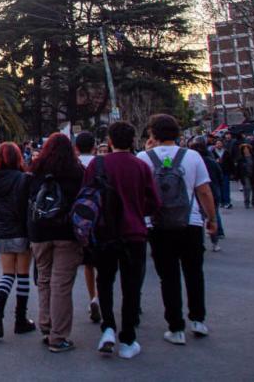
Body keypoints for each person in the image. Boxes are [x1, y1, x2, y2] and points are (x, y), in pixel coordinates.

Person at [139, 114, 217, 345]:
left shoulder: (144, 157)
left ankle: (176, 327)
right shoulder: (192, 156)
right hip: (190, 222)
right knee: (194, 272)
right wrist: (211, 218)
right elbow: (204, 191)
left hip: (158, 224)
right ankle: (198, 319)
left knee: (168, 276)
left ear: (152, 133)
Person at [88, 121, 160, 360]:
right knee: (131, 286)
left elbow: (86, 199)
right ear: (132, 141)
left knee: (105, 281)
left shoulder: (97, 165)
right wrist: (137, 210)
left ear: (109, 140)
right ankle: (128, 338)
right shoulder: (140, 166)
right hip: (134, 233)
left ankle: (108, 328)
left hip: (104, 233)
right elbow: (153, 203)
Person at [28, 133, 85, 353]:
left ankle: (46, 324)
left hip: (40, 231)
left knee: (44, 278)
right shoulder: (76, 171)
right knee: (61, 283)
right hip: (66, 231)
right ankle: (58, 335)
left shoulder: (36, 170)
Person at [0, 141, 34, 339]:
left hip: (2, 232)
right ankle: (20, 319)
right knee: (23, 275)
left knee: (7, 274)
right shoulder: (25, 179)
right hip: (21, 231)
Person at [74, 131, 101, 324]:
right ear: (94, 146)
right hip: (101, 218)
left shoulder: (73, 165)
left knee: (88, 264)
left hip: (81, 220)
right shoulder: (100, 164)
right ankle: (99, 297)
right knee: (103, 263)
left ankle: (93, 296)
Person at [238, 143, 254, 208]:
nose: (246, 150)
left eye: (247, 149)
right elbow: (238, 168)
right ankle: (247, 202)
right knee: (247, 188)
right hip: (245, 175)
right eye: (244, 149)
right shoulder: (241, 158)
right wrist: (238, 177)